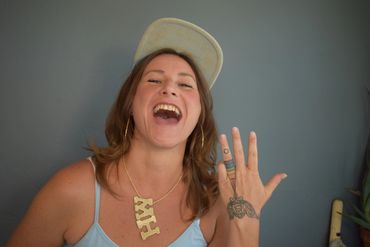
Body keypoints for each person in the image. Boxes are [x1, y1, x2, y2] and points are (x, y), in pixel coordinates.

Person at [6, 17, 287, 247]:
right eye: (154, 80)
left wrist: (246, 221)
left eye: (186, 85)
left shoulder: (221, 202)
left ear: (198, 116)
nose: (170, 89)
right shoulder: (71, 190)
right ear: (130, 104)